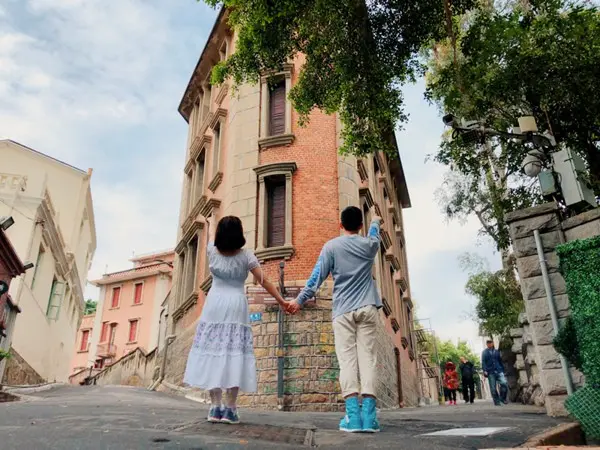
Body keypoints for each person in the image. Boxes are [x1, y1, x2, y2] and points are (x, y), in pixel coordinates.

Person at [183, 215, 292, 424]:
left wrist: (212, 220)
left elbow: (212, 231)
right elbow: (265, 281)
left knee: (213, 351)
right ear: (239, 234)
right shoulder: (246, 257)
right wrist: (281, 300)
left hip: (214, 304)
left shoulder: (211, 251)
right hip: (235, 305)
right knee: (234, 353)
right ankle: (231, 408)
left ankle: (215, 407)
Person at [288, 206, 383, 433]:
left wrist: (299, 301)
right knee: (368, 360)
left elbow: (316, 278)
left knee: (348, 361)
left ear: (341, 225)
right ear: (360, 225)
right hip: (368, 307)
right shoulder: (370, 245)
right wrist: (376, 220)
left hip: (343, 312)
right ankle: (369, 418)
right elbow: (374, 233)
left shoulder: (331, 247)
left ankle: (353, 417)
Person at [481, 339, 508, 406]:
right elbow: (483, 362)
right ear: (487, 344)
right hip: (490, 372)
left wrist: (502, 369)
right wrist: (485, 370)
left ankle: (502, 398)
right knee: (493, 388)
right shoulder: (484, 352)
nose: (489, 344)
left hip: (499, 370)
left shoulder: (497, 351)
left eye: (490, 343)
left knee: (504, 383)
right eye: (488, 343)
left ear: (492, 343)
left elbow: (500, 361)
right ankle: (497, 402)